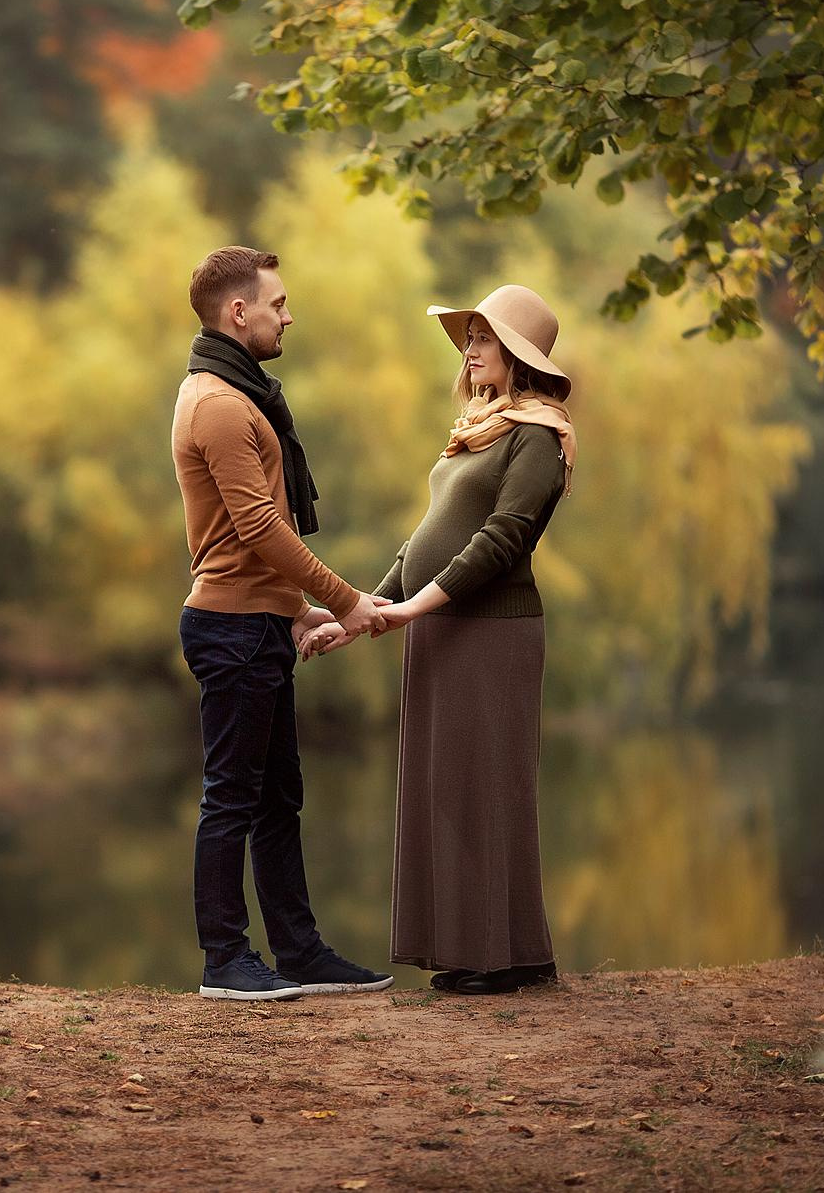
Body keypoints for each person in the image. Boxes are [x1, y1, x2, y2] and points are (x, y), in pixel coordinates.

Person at [303, 284, 576, 995]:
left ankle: (507, 955)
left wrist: (414, 606)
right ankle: (476, 949)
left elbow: (501, 538)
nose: (471, 349)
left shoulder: (538, 435)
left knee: (488, 787)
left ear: (517, 353)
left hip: (492, 634)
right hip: (442, 627)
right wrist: (361, 609)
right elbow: (425, 538)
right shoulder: (481, 426)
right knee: (447, 791)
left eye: (484, 337)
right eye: (470, 337)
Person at [171, 245, 396, 1002]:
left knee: (276, 799)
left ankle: (298, 951)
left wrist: (294, 611)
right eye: (278, 302)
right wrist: (343, 599)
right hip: (230, 628)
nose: (288, 315)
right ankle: (225, 959)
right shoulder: (222, 405)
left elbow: (245, 539)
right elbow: (260, 527)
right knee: (232, 796)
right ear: (240, 311)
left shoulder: (237, 394)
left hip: (257, 622)